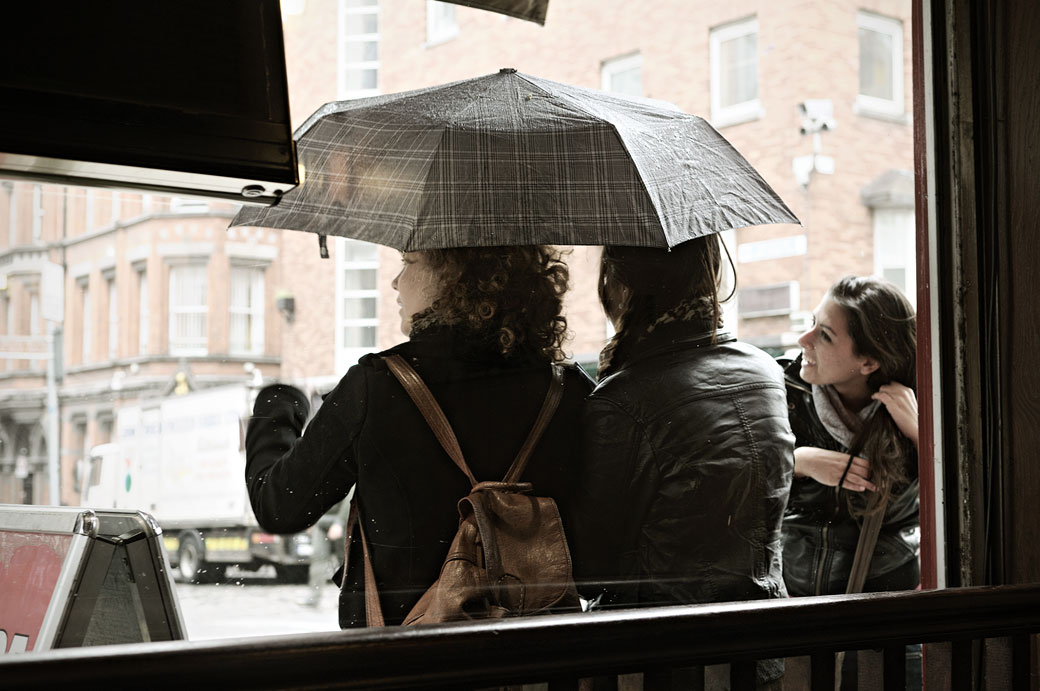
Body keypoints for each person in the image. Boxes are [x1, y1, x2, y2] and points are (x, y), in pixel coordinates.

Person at [245, 246, 592, 628]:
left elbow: (280, 505)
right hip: (540, 656)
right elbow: (598, 552)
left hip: (411, 659)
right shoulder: (571, 391)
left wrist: (276, 404)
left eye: (408, 263)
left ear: (454, 277)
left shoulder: (377, 386)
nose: (396, 282)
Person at [569, 236, 794, 689]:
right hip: (759, 648)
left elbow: (591, 569)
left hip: (660, 658)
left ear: (620, 285)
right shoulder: (764, 372)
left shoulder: (624, 399)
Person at [779, 275, 919, 690]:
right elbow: (737, 480)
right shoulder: (782, 390)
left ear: (869, 362)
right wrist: (799, 461)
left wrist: (920, 433)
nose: (804, 339)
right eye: (811, 323)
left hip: (885, 616)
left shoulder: (921, 403)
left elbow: (954, 494)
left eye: (823, 334)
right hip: (796, 608)